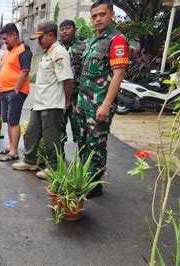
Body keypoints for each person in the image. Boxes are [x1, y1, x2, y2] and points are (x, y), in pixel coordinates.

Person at [78, 0, 129, 198]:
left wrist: (106, 104)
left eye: (102, 14)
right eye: (94, 16)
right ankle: (83, 177)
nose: (98, 19)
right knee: (84, 142)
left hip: (99, 104)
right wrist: (79, 103)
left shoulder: (116, 40)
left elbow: (118, 74)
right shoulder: (93, 40)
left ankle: (95, 185)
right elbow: (85, 75)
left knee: (96, 144)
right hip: (85, 103)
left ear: (111, 15)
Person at [12, 20, 74, 179]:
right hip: (39, 103)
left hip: (52, 104)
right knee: (32, 133)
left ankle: (53, 167)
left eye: (40, 38)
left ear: (51, 35)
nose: (38, 42)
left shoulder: (59, 53)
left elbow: (67, 80)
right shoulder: (48, 53)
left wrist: (66, 102)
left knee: (50, 138)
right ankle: (30, 161)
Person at [0, 23, 32, 162]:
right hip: (4, 91)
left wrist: (16, 89)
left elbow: (24, 71)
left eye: (6, 39)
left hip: (15, 91)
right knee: (8, 120)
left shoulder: (23, 49)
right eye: (3, 40)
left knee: (13, 120)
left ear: (14, 35)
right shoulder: (7, 52)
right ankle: (10, 147)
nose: (4, 42)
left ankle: (14, 152)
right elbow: (2, 71)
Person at [59, 20, 87, 150]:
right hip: (59, 95)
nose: (64, 31)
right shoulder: (55, 48)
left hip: (78, 96)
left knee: (80, 131)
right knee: (58, 130)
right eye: (62, 29)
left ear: (75, 30)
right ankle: (58, 162)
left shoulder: (83, 47)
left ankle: (82, 164)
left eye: (68, 28)